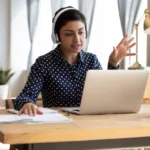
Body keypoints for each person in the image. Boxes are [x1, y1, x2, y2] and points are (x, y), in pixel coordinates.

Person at [13, 6, 136, 116]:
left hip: (89, 124)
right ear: (57, 36)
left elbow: (108, 95)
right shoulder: (44, 63)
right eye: (69, 34)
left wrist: (113, 64)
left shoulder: (91, 60)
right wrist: (27, 103)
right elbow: (25, 96)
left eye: (81, 32)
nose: (77, 40)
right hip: (56, 127)